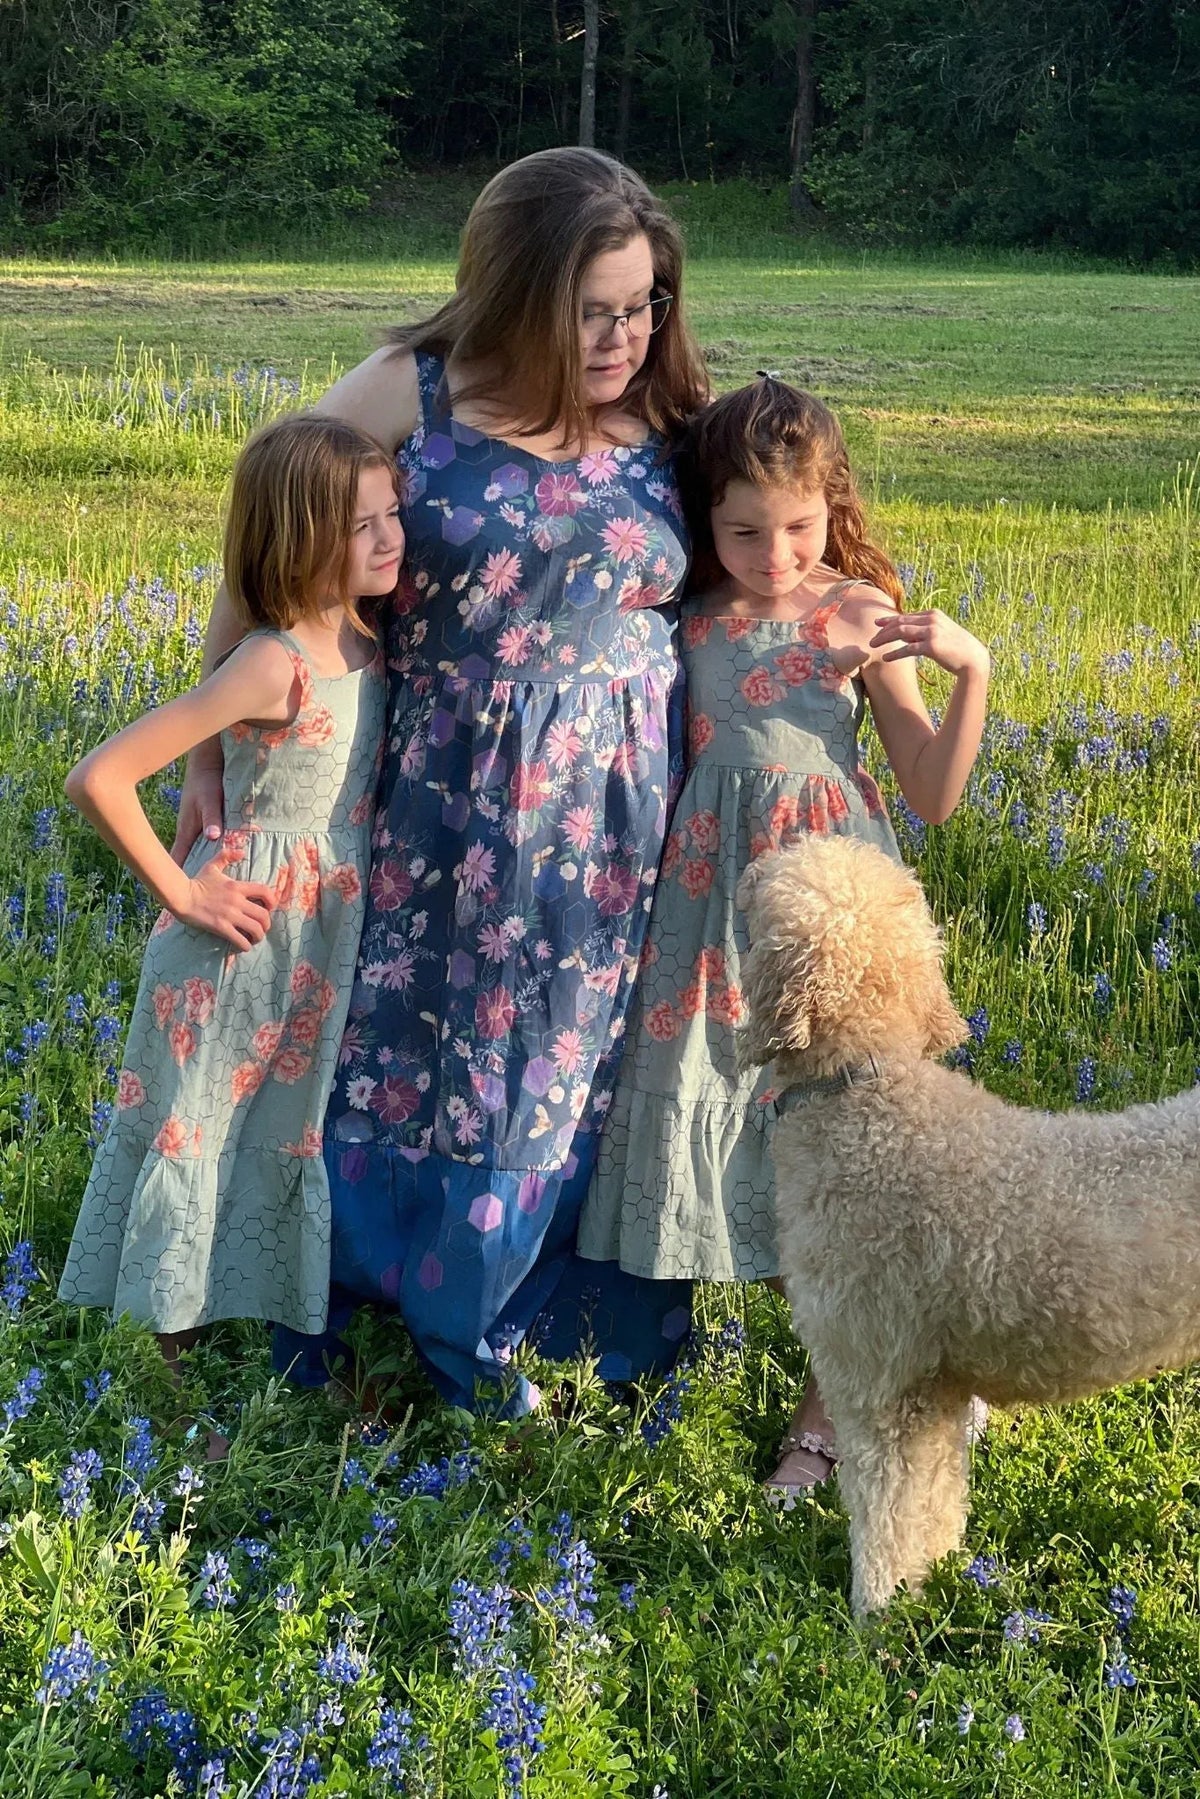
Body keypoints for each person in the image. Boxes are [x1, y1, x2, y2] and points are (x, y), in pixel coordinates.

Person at [171, 149, 710, 1416]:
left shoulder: (674, 417)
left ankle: (561, 1316)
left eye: (644, 306)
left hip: (617, 822)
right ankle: (377, 1299)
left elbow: (785, 544)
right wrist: (208, 754)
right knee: (410, 1048)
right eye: (594, 310)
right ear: (516, 290)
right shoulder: (411, 388)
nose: (624, 335)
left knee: (570, 1060)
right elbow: (262, 554)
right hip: (439, 798)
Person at [577, 375, 991, 1500]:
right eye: (744, 529)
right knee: (723, 1132)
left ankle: (831, 1422)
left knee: (837, 1146)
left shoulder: (858, 614)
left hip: (827, 910)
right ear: (707, 520)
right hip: (708, 911)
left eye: (799, 525)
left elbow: (932, 790)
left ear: (831, 504)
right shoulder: (693, 617)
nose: (775, 552)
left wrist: (975, 675)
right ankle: (653, 1368)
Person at [58, 415, 396, 1384]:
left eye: (392, 514)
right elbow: (101, 776)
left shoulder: (367, 636)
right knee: (192, 1125)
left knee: (274, 1127)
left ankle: (265, 1326)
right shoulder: (272, 660)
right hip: (240, 931)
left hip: (319, 930)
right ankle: (165, 1375)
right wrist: (183, 890)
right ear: (298, 540)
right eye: (362, 524)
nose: (390, 537)